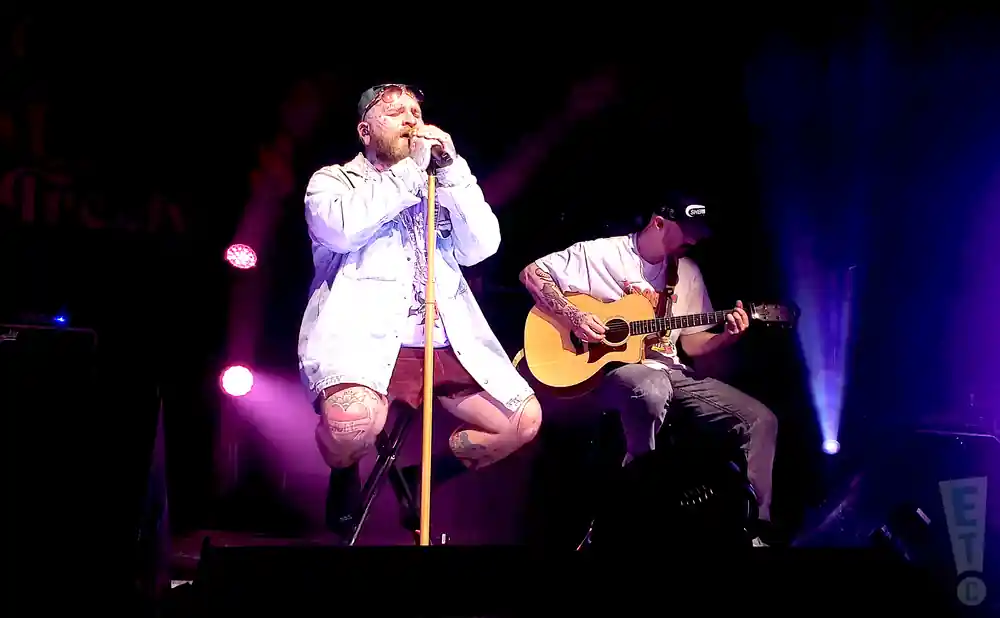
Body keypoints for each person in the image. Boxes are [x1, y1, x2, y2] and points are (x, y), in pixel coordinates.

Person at [298, 84, 541, 535]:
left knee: (522, 422)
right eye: (395, 113)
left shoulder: (438, 180)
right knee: (352, 428)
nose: (412, 119)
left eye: (416, 111)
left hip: (445, 339)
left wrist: (454, 173)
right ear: (365, 131)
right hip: (365, 341)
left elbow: (482, 247)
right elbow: (340, 231)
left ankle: (427, 474)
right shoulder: (334, 181)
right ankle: (344, 468)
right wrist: (412, 171)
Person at [519, 200, 778, 544]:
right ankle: (639, 493)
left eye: (698, 234)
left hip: (672, 372)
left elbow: (694, 343)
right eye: (687, 232)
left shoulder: (687, 272)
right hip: (611, 372)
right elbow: (532, 273)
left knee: (761, 419)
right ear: (658, 222)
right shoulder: (602, 254)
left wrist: (727, 337)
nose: (695, 240)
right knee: (651, 385)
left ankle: (756, 532)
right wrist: (576, 317)